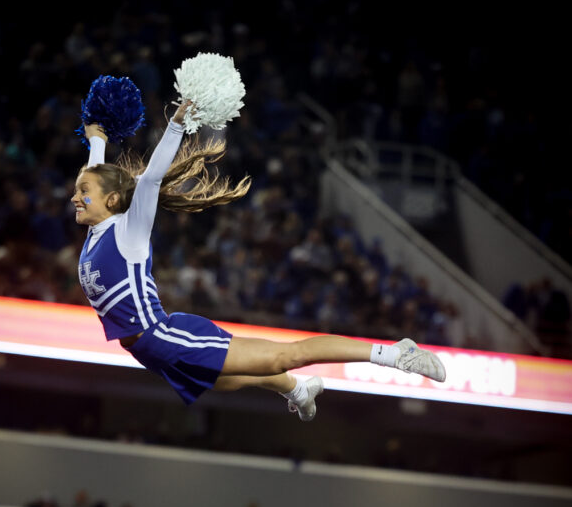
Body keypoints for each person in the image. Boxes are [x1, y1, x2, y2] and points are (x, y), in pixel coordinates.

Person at [73, 102, 446, 422]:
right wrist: (97, 138)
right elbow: (97, 174)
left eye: (83, 192)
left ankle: (396, 353)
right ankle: (298, 390)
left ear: (112, 201)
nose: (76, 196)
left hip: (165, 337)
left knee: (286, 354)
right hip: (147, 352)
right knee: (234, 378)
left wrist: (175, 125)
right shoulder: (96, 231)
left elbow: (150, 180)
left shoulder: (128, 231)